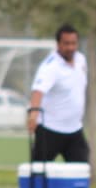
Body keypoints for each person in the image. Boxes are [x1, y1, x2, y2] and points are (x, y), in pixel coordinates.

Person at [27, 24, 89, 162]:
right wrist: (34, 113)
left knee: (80, 175)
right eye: (66, 44)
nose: (70, 48)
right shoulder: (50, 66)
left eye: (73, 43)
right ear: (58, 44)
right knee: (38, 177)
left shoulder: (81, 60)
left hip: (74, 130)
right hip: (50, 130)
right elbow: (38, 90)